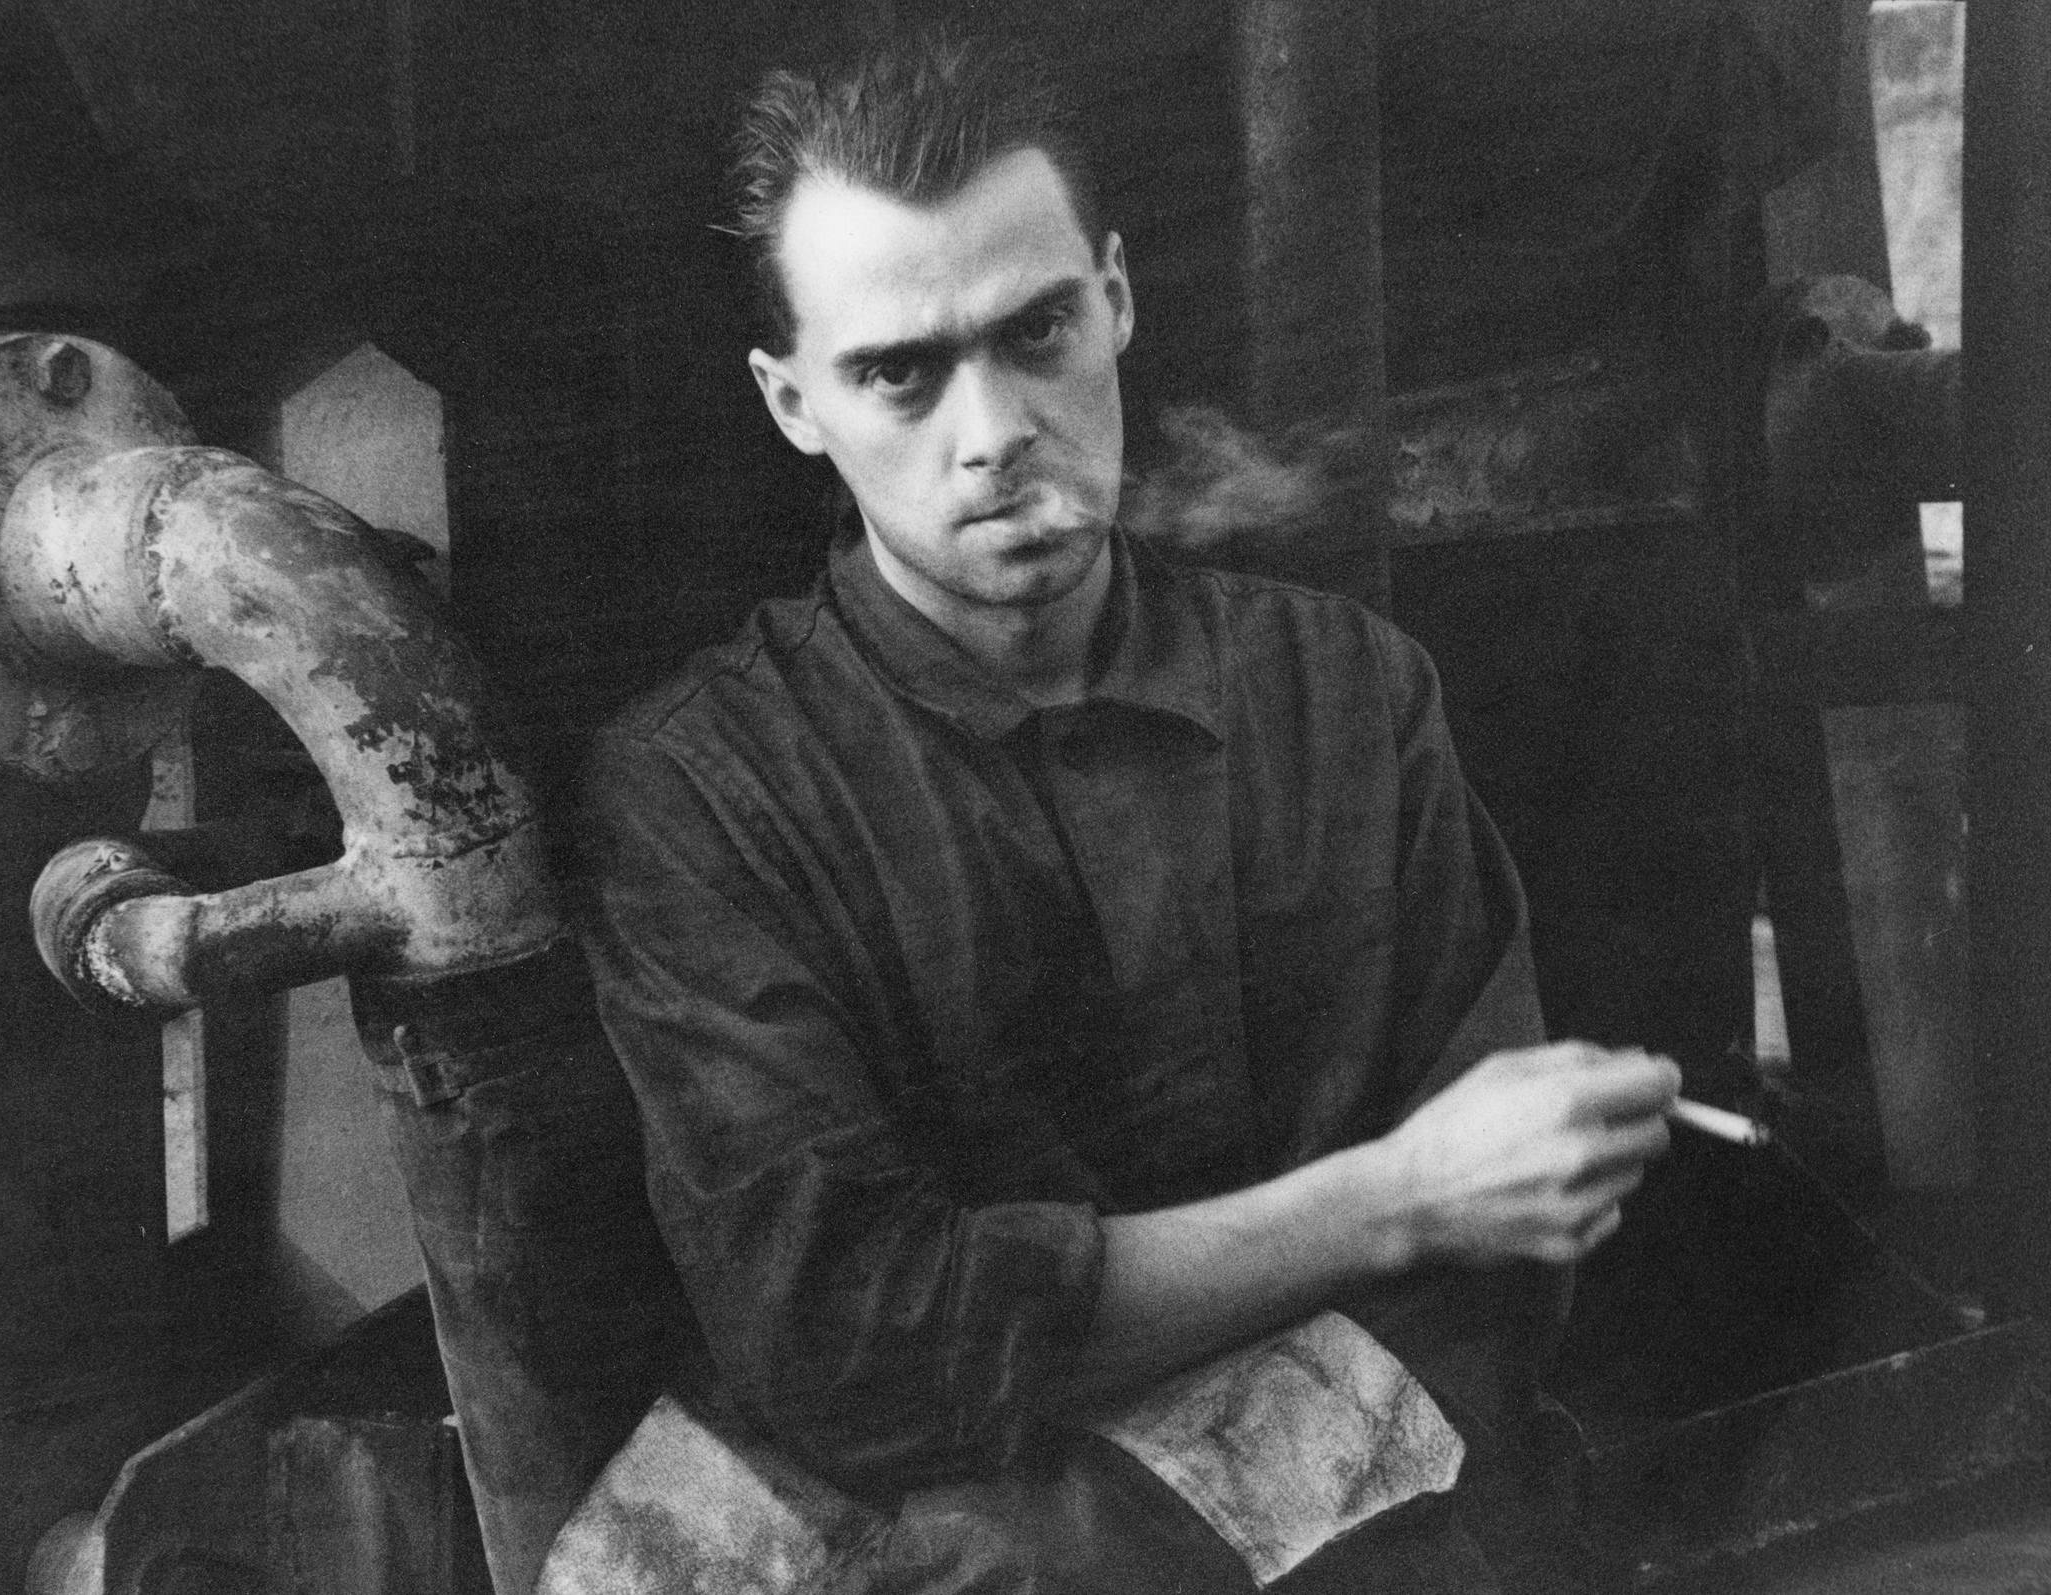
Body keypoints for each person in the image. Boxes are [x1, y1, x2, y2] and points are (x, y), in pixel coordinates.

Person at [552, 34, 1679, 1594]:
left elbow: (1499, 1258)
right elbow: (850, 1342)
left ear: (1118, 300)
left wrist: (1082, 1521)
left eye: (1038, 332)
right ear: (792, 402)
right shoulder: (703, 793)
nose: (993, 430)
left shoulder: (1349, 696)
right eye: (899, 373)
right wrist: (1397, 1198)